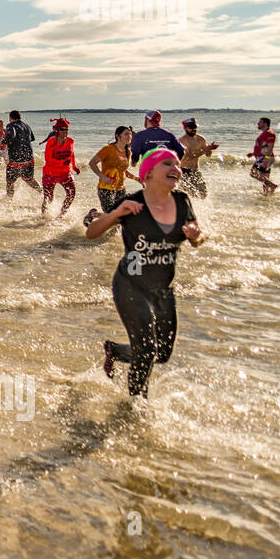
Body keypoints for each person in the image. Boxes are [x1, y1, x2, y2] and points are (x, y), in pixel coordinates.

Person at [86, 149, 206, 397]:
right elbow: (92, 232)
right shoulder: (133, 203)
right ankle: (136, 407)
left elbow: (197, 234)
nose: (176, 168)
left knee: (161, 354)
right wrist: (117, 214)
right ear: (149, 173)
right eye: (168, 163)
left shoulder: (182, 201)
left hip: (163, 289)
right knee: (146, 350)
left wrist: (196, 235)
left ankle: (116, 351)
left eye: (177, 164)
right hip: (130, 283)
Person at [84, 126, 139, 226]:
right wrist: (102, 177)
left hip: (121, 189)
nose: (129, 136)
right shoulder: (108, 149)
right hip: (106, 188)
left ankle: (111, 237)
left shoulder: (128, 152)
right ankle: (93, 214)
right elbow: (92, 163)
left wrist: (137, 179)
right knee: (112, 216)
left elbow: (123, 170)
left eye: (130, 134)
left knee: (120, 218)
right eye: (126, 134)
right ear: (118, 136)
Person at [40, 118, 80, 216]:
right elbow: (48, 160)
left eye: (67, 129)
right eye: (62, 129)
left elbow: (72, 154)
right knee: (48, 197)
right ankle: (43, 218)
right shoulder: (51, 142)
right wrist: (62, 163)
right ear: (57, 130)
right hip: (50, 173)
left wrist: (74, 166)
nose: (65, 132)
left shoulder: (70, 141)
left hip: (65, 173)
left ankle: (62, 213)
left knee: (71, 193)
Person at [3, 110, 40, 199]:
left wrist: (4, 141)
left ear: (10, 118)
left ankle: (9, 200)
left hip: (16, 159)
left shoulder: (10, 125)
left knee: (10, 182)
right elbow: (32, 138)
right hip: (29, 159)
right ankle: (42, 191)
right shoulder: (27, 126)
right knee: (29, 179)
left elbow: (11, 136)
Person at [177, 118, 218, 198]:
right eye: (191, 128)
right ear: (185, 128)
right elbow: (189, 157)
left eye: (195, 127)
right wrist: (204, 150)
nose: (193, 129)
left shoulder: (201, 139)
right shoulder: (182, 141)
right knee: (186, 195)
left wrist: (209, 149)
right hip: (184, 171)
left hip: (195, 170)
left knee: (203, 194)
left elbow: (208, 155)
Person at [249, 117, 279, 194]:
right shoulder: (265, 133)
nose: (258, 123)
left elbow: (270, 146)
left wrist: (266, 158)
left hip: (265, 158)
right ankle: (267, 196)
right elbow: (264, 147)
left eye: (260, 122)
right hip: (264, 157)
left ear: (265, 124)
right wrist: (253, 153)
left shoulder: (269, 133)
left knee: (253, 173)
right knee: (265, 179)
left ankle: (272, 186)